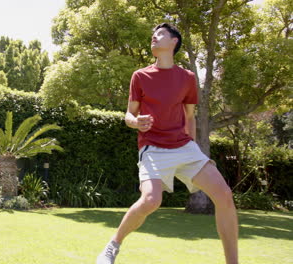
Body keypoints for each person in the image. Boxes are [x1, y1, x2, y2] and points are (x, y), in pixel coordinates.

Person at [96, 23, 239, 264]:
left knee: (224, 194)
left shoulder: (187, 78)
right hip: (153, 148)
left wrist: (192, 149)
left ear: (174, 42)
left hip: (184, 146)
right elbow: (128, 115)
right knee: (151, 201)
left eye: (160, 34)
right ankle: (113, 245)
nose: (154, 36)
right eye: (153, 34)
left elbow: (190, 117)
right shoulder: (140, 76)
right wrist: (136, 122)